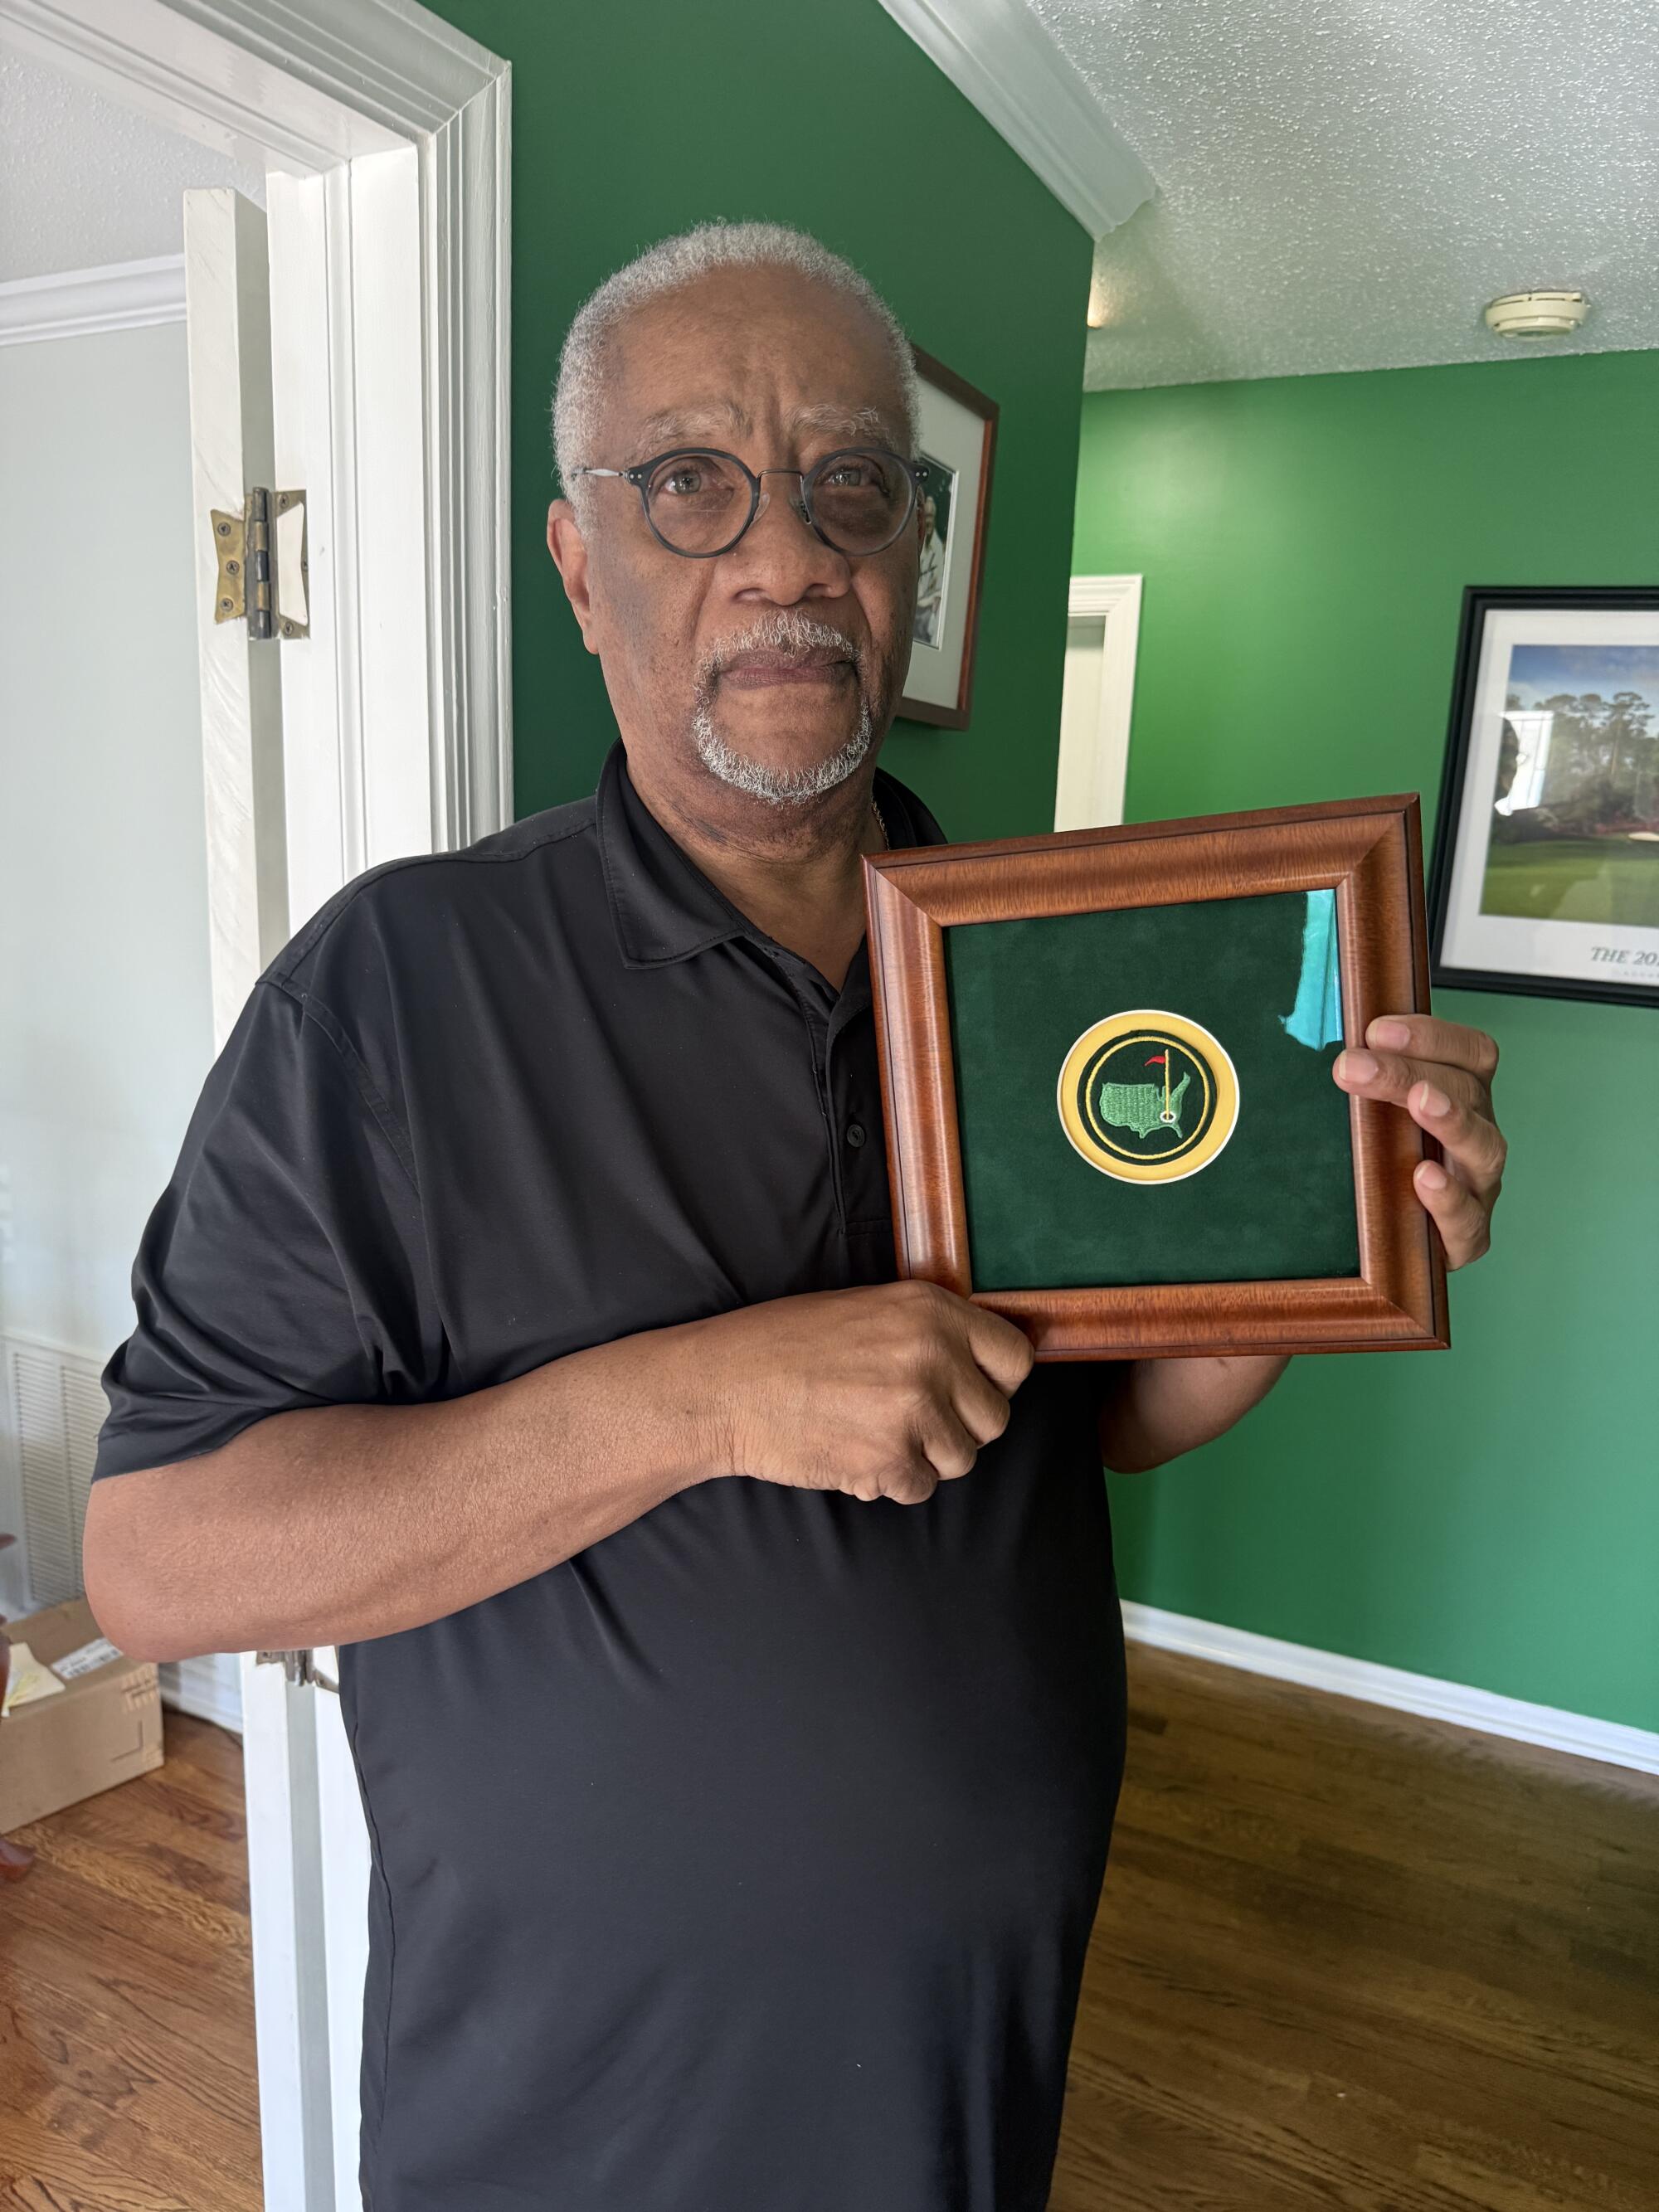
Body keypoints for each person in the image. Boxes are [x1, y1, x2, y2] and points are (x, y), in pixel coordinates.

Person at [81, 221, 1506, 2212]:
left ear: (910, 570)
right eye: (690, 483)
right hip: (573, 2123)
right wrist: (703, 1401)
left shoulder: (1044, 968)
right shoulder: (393, 989)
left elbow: (1084, 1420)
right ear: (580, 566)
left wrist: (1320, 1232)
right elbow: (156, 1555)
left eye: (851, 485)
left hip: (966, 2076)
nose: (783, 552)